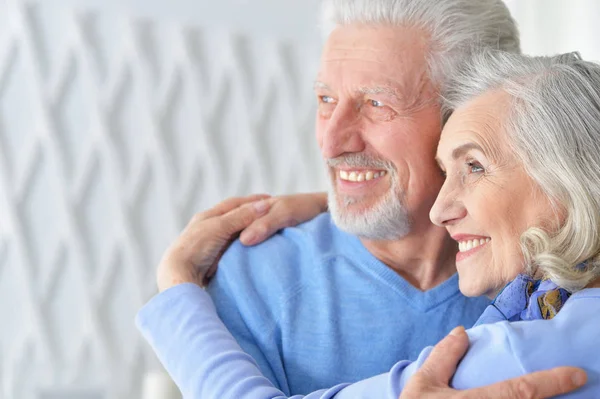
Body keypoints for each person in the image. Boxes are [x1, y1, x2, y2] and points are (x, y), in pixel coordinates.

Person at [138, 50, 600, 398]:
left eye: (473, 167)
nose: (440, 210)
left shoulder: (527, 355)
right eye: (324, 99)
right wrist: (343, 204)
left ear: (569, 180)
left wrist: (177, 283)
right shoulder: (565, 314)